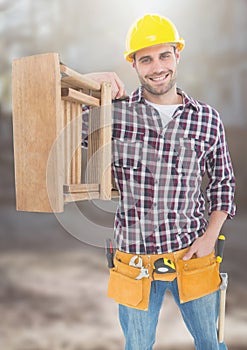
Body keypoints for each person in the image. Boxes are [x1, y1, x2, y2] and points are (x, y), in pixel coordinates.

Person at [82, 14, 236, 350]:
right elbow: (53, 116)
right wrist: (88, 81)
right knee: (137, 347)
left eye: (164, 55)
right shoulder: (113, 115)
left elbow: (223, 182)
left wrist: (210, 238)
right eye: (146, 59)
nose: (157, 67)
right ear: (133, 64)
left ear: (177, 55)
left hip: (193, 255)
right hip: (135, 261)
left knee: (211, 344)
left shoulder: (206, 118)